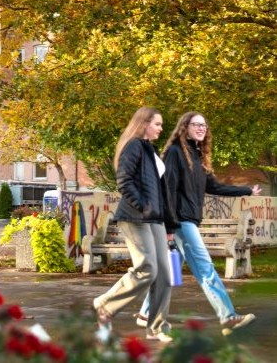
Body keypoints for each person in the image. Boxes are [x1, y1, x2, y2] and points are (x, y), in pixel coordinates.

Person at [136, 112, 262, 334]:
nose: (201, 128)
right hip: (181, 222)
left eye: (204, 125)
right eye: (196, 124)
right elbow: (168, 191)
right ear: (184, 127)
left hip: (188, 221)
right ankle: (228, 317)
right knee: (206, 268)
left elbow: (214, 187)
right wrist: (170, 227)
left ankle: (147, 312)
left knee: (168, 273)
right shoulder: (175, 153)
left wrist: (246, 190)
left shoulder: (197, 157)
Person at [93, 107, 178, 343]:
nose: (161, 128)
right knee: (147, 268)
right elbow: (124, 181)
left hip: (155, 219)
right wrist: (142, 206)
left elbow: (162, 192)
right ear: (144, 124)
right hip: (134, 217)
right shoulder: (134, 146)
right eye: (157, 124)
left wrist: (169, 225)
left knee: (164, 274)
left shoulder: (150, 150)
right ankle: (105, 305)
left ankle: (157, 327)